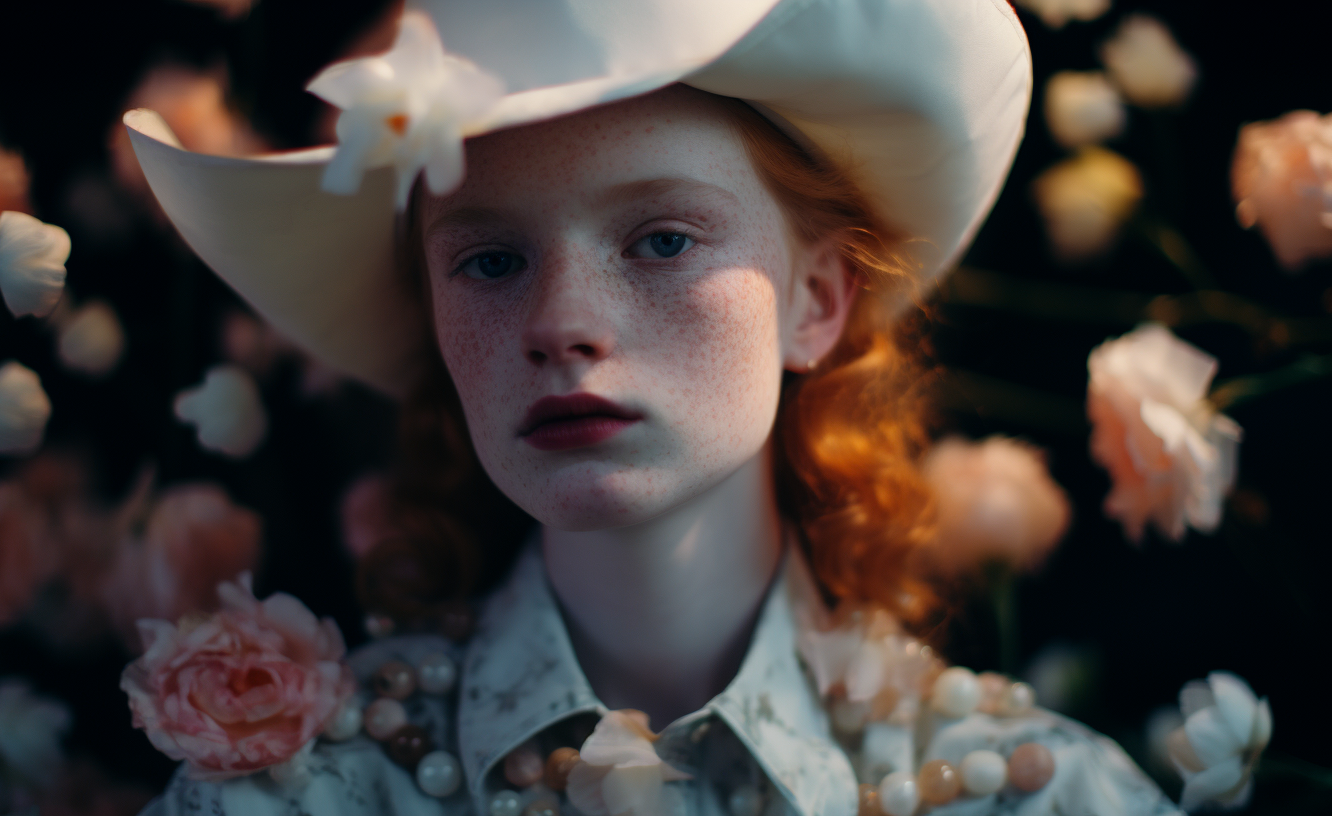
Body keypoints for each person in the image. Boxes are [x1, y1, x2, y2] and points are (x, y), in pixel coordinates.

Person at [125, 1, 1182, 813]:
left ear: (815, 301)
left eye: (663, 240)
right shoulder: (294, 795)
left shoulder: (1040, 795)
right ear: (434, 323)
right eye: (489, 261)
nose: (561, 323)